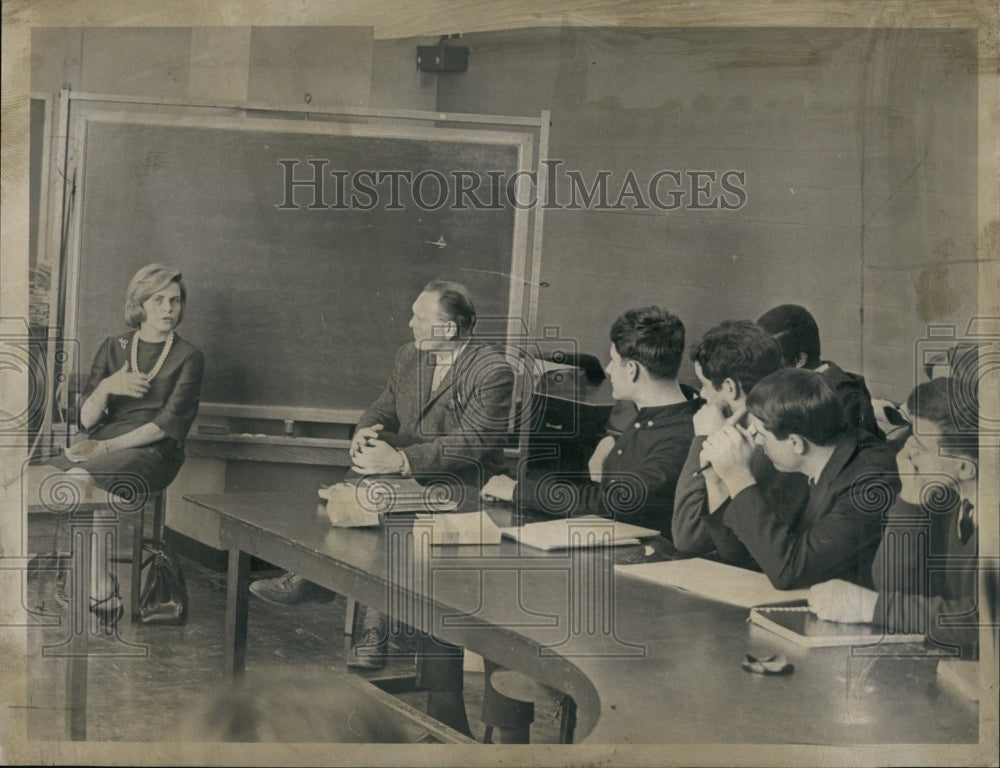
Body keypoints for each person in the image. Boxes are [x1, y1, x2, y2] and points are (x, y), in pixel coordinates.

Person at [250, 279, 514, 737]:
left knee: (374, 504)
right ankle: (353, 610)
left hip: (460, 488)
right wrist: (366, 432)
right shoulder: (410, 354)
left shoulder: (492, 371)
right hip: (406, 477)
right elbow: (384, 406)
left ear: (449, 330)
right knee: (363, 497)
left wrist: (402, 459)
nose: (409, 323)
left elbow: (473, 444)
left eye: (419, 316)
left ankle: (344, 604)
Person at [47, 263, 204, 623]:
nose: (168, 309)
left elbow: (165, 426)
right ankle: (98, 582)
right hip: (103, 444)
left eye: (175, 301)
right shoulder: (114, 347)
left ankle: (98, 584)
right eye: (158, 300)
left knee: (81, 479)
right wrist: (106, 387)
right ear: (139, 304)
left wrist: (104, 448)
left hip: (154, 451)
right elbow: (86, 420)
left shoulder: (189, 357)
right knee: (68, 479)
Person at [481, 305, 700, 536]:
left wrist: (517, 491)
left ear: (633, 370)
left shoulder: (679, 437)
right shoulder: (650, 417)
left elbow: (613, 503)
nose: (608, 368)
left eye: (614, 361)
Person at [809, 377, 982, 659]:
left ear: (965, 467)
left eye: (922, 445)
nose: (907, 450)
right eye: (911, 434)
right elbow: (895, 587)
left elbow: (983, 623)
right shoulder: (951, 498)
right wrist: (910, 501)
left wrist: (871, 607)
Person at [697, 367, 897, 589]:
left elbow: (790, 572)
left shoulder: (871, 482)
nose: (758, 445)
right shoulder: (805, 465)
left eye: (761, 436)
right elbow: (746, 557)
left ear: (795, 443)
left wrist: (739, 477)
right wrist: (716, 482)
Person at [671, 319, 802, 556]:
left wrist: (703, 438)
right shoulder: (778, 430)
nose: (702, 394)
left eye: (705, 385)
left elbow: (687, 536)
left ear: (730, 388)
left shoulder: (769, 450)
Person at [757, 303, 883, 439]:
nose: (763, 370)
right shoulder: (798, 384)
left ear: (799, 360)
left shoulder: (844, 401)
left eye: (772, 361)